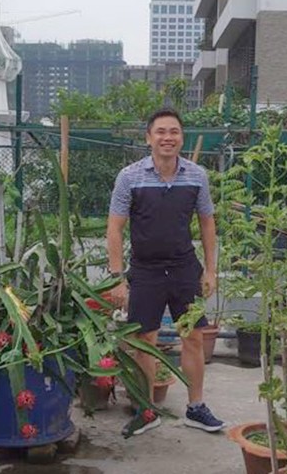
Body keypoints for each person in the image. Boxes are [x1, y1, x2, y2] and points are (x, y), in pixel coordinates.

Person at [106, 108, 225, 437]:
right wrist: (117, 277)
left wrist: (211, 270)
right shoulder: (129, 177)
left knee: (194, 337)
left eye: (174, 131)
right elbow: (114, 229)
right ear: (149, 138)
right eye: (160, 132)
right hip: (145, 270)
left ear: (181, 138)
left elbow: (207, 223)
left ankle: (196, 407)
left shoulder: (196, 175)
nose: (167, 137)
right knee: (144, 340)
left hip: (186, 268)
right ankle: (146, 410)